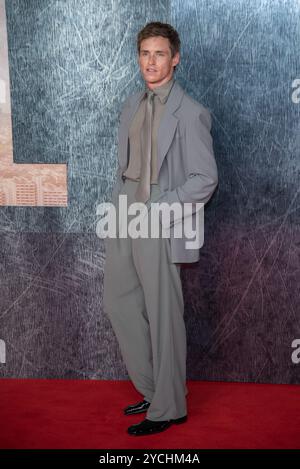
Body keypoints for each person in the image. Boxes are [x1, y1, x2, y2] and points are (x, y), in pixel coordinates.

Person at [103, 22, 218, 436]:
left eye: (159, 54)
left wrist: (161, 209)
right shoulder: (132, 102)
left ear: (175, 58)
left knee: (163, 312)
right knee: (118, 299)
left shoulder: (191, 112)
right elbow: (126, 165)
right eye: (144, 53)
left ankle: (170, 407)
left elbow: (205, 178)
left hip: (159, 214)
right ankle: (155, 389)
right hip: (125, 210)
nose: (151, 62)